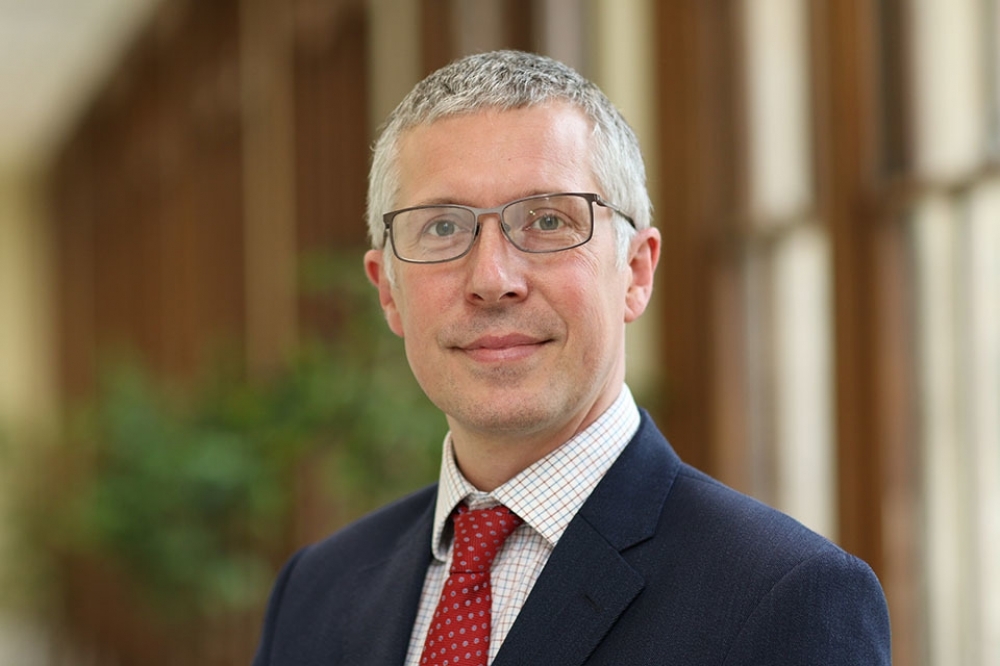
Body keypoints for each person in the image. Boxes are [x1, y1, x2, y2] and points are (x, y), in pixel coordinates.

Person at [252, 50, 891, 665]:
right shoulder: (315, 593)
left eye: (548, 221)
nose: (492, 279)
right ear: (389, 292)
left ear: (635, 271)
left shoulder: (785, 598)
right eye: (443, 227)